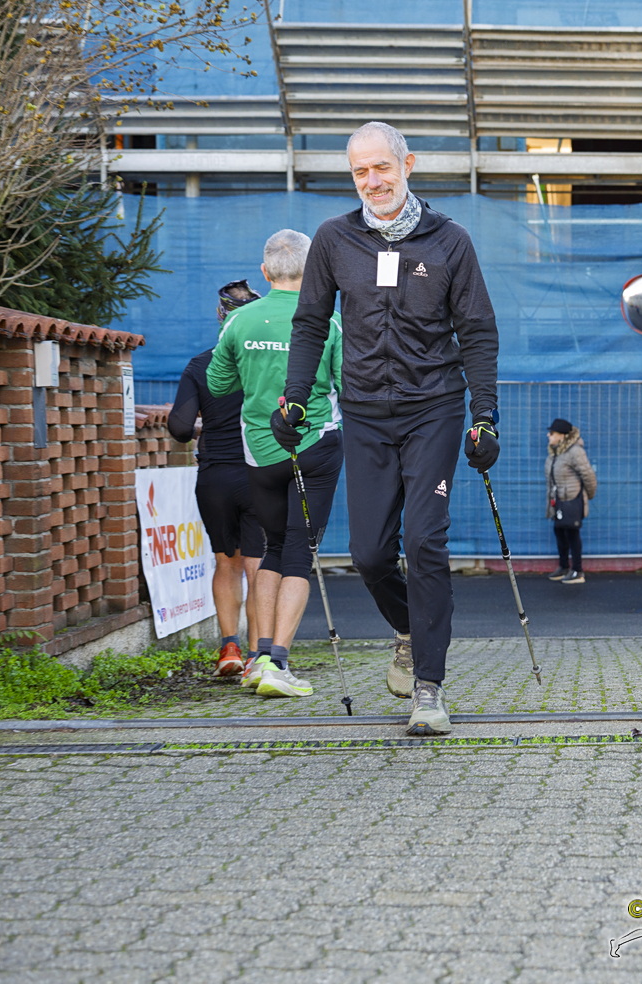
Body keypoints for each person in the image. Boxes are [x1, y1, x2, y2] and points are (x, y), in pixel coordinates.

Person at [280, 120, 500, 736]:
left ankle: (429, 686)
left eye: (381, 167)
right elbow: (310, 324)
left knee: (425, 541)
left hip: (434, 408)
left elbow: (477, 330)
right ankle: (408, 628)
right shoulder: (334, 238)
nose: (372, 180)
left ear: (408, 165)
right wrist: (295, 399)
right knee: (370, 554)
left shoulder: (449, 240)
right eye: (360, 171)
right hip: (365, 412)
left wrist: (485, 414)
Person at [207, 230, 343, 698]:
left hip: (261, 450)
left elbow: (218, 385)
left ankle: (260, 657)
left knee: (273, 548)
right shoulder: (328, 320)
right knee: (300, 554)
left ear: (265, 273)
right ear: (315, 271)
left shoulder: (239, 320)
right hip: (315, 444)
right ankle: (278, 663)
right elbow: (346, 382)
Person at [166, 280, 266, 677]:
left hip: (214, 478)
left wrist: (201, 428)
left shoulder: (200, 364)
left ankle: (229, 648)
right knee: (259, 566)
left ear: (219, 316)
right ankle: (259, 656)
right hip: (259, 474)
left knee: (226, 563)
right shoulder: (268, 361)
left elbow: (178, 427)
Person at [545, 417, 597, 584]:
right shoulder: (555, 452)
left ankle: (578, 571)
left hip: (572, 500)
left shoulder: (575, 452)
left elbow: (588, 475)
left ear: (562, 435)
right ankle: (563, 567)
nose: (548, 435)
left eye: (552, 433)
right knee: (559, 531)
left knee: (572, 534)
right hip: (558, 501)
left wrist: (587, 496)